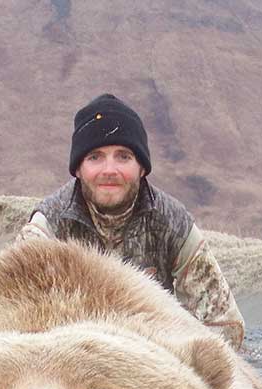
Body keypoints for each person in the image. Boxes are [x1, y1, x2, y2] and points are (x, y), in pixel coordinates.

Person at [21, 93, 246, 348]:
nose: (109, 170)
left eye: (123, 156)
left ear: (142, 167)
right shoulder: (48, 226)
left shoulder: (173, 222)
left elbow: (226, 325)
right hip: (70, 359)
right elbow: (14, 317)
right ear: (77, 168)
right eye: (95, 157)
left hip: (152, 358)